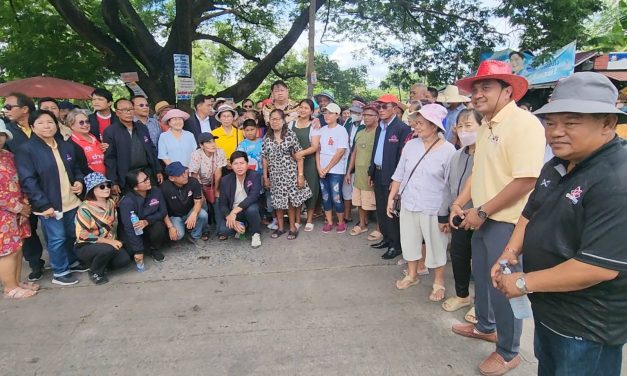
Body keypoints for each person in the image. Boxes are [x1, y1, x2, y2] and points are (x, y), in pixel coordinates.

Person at [491, 72, 627, 376]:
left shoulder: (617, 179)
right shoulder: (555, 165)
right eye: (551, 122)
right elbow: (530, 213)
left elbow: (597, 267)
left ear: (607, 123)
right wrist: (509, 253)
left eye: (571, 122)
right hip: (549, 311)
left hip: (586, 327)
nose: (555, 132)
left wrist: (523, 283)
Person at [450, 60, 546, 376]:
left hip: (506, 221)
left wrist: (482, 210)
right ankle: (485, 326)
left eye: (485, 87)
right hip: (484, 216)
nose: (477, 94)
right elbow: (478, 171)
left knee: (504, 285)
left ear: (507, 90)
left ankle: (508, 351)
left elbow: (526, 179)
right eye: (475, 88)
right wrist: (460, 202)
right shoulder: (488, 123)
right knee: (482, 275)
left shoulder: (523, 123)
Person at [388, 104, 455, 302]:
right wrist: (391, 198)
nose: (415, 127)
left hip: (434, 207)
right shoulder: (411, 145)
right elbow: (399, 174)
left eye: (420, 123)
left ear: (434, 126)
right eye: (415, 122)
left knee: (436, 245)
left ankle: (439, 282)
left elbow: (450, 186)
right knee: (409, 240)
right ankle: (412, 275)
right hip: (409, 202)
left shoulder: (449, 151)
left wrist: (448, 212)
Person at [15, 110, 87, 286]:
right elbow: (28, 181)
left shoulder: (64, 145)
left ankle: (71, 262)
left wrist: (78, 181)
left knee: (72, 234)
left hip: (71, 200)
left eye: (50, 122)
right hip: (49, 204)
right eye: (41, 123)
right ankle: (60, 271)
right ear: (32, 126)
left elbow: (76, 167)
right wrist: (42, 204)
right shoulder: (27, 150)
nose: (47, 126)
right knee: (57, 238)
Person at [439, 109, 482, 321]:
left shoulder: (488, 154)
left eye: (469, 126)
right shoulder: (457, 155)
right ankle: (462, 295)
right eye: (460, 126)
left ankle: (481, 304)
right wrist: (445, 213)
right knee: (459, 257)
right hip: (457, 217)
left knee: (481, 263)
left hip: (482, 217)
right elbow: (448, 186)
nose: (464, 131)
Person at [3, 92, 45, 280]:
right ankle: (36, 264)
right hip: (22, 190)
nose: (6, 110)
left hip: (48, 184)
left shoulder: (43, 124)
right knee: (27, 230)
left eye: (9, 106)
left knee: (57, 226)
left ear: (25, 109)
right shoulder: (8, 132)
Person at [369, 94, 412, 260]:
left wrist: (396, 180)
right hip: (378, 172)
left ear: (394, 108)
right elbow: (376, 150)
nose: (380, 110)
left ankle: (396, 245)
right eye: (378, 107)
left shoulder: (402, 128)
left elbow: (402, 157)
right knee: (381, 209)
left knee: (391, 211)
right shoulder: (380, 126)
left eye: (384, 107)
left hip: (392, 176)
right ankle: (386, 239)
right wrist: (371, 171)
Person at [0, 120, 37, 299]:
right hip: (4, 212)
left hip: (19, 208)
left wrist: (24, 204)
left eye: (1, 135)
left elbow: (21, 178)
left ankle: (16, 281)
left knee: (18, 246)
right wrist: (17, 207)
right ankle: (9, 287)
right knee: (7, 250)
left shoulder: (7, 155)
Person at [262, 109, 311, 239]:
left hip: (290, 173)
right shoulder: (267, 138)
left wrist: (300, 175)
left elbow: (299, 156)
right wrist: (265, 177)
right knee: (278, 203)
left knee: (291, 202)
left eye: (278, 119)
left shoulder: (290, 135)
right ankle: (281, 228)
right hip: (275, 175)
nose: (275, 121)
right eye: (272, 119)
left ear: (283, 121)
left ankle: (293, 228)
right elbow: (264, 158)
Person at [74, 173, 130, 284]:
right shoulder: (85, 209)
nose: (107, 189)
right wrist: (109, 242)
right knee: (107, 249)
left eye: (108, 185)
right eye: (102, 186)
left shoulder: (111, 203)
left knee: (125, 260)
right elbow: (82, 235)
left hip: (110, 241)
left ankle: (103, 263)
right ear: (92, 190)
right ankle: (95, 272)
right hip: (87, 245)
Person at [103, 99, 163, 194]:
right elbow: (110, 159)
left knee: (153, 199)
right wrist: (113, 181)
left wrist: (158, 170)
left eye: (131, 109)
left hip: (147, 172)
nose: (129, 112)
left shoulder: (142, 127)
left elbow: (151, 149)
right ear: (118, 112)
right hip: (127, 176)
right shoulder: (110, 131)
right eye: (125, 110)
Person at [119, 169, 174, 271]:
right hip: (133, 231)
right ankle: (141, 248)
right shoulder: (127, 202)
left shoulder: (156, 191)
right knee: (130, 253)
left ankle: (153, 249)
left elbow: (163, 212)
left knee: (159, 226)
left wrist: (147, 221)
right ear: (135, 187)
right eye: (144, 181)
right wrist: (138, 250)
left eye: (147, 178)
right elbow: (129, 228)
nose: (148, 181)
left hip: (149, 226)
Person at [316, 103, 350, 234]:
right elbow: (317, 150)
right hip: (322, 169)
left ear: (337, 115)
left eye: (330, 113)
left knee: (336, 196)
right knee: (325, 196)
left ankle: (341, 222)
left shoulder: (341, 130)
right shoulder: (322, 130)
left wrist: (327, 168)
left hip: (336, 170)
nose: (327, 115)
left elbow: (340, 152)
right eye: (325, 113)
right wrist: (320, 168)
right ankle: (329, 221)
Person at [346, 104, 378, 237]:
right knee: (359, 201)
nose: (366, 117)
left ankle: (379, 228)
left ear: (377, 117)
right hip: (358, 173)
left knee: (374, 202)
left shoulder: (379, 133)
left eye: (370, 115)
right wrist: (349, 171)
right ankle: (362, 225)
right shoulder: (360, 132)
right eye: (364, 115)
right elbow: (354, 153)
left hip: (372, 174)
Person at [218, 151, 262, 248]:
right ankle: (243, 226)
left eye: (242, 163)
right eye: (236, 164)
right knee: (224, 230)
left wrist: (234, 211)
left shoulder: (254, 176)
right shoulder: (225, 180)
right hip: (234, 212)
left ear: (247, 164)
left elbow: (253, 197)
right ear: (231, 166)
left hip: (248, 208)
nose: (239, 167)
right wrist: (229, 216)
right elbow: (222, 203)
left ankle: (255, 233)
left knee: (252, 209)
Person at [290, 99, 321, 231]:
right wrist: (294, 155)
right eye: (301, 107)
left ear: (311, 112)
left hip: (309, 162)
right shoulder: (291, 124)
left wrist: (301, 153)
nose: (302, 110)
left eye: (306, 108)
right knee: (297, 189)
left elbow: (315, 146)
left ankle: (309, 219)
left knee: (312, 190)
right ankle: (297, 220)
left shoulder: (313, 126)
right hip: (293, 161)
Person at [189, 133, 227, 239]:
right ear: (201, 145)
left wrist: (216, 190)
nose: (213, 144)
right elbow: (194, 176)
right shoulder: (196, 155)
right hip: (199, 184)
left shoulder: (219, 152)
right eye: (208, 142)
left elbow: (218, 172)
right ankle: (205, 230)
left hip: (214, 182)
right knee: (203, 204)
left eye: (213, 141)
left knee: (218, 202)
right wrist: (201, 194)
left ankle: (220, 230)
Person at [160, 162, 209, 245]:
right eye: (180, 174)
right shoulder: (164, 188)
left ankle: (195, 235)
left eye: (184, 172)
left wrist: (194, 213)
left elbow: (198, 201)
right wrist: (170, 227)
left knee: (203, 214)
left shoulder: (193, 181)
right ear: (172, 178)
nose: (185, 176)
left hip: (189, 211)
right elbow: (162, 210)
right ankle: (183, 229)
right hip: (175, 216)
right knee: (178, 236)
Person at [342, 103, 365, 223]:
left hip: (360, 162)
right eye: (352, 112)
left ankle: (363, 219)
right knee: (346, 189)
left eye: (357, 113)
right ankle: (347, 215)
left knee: (359, 190)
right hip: (346, 160)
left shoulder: (365, 125)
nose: (353, 115)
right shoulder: (348, 122)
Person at [67, 109, 106, 175]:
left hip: (106, 180)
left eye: (87, 122)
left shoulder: (94, 137)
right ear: (72, 126)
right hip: (90, 182)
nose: (85, 125)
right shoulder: (70, 144)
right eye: (81, 122)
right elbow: (78, 168)